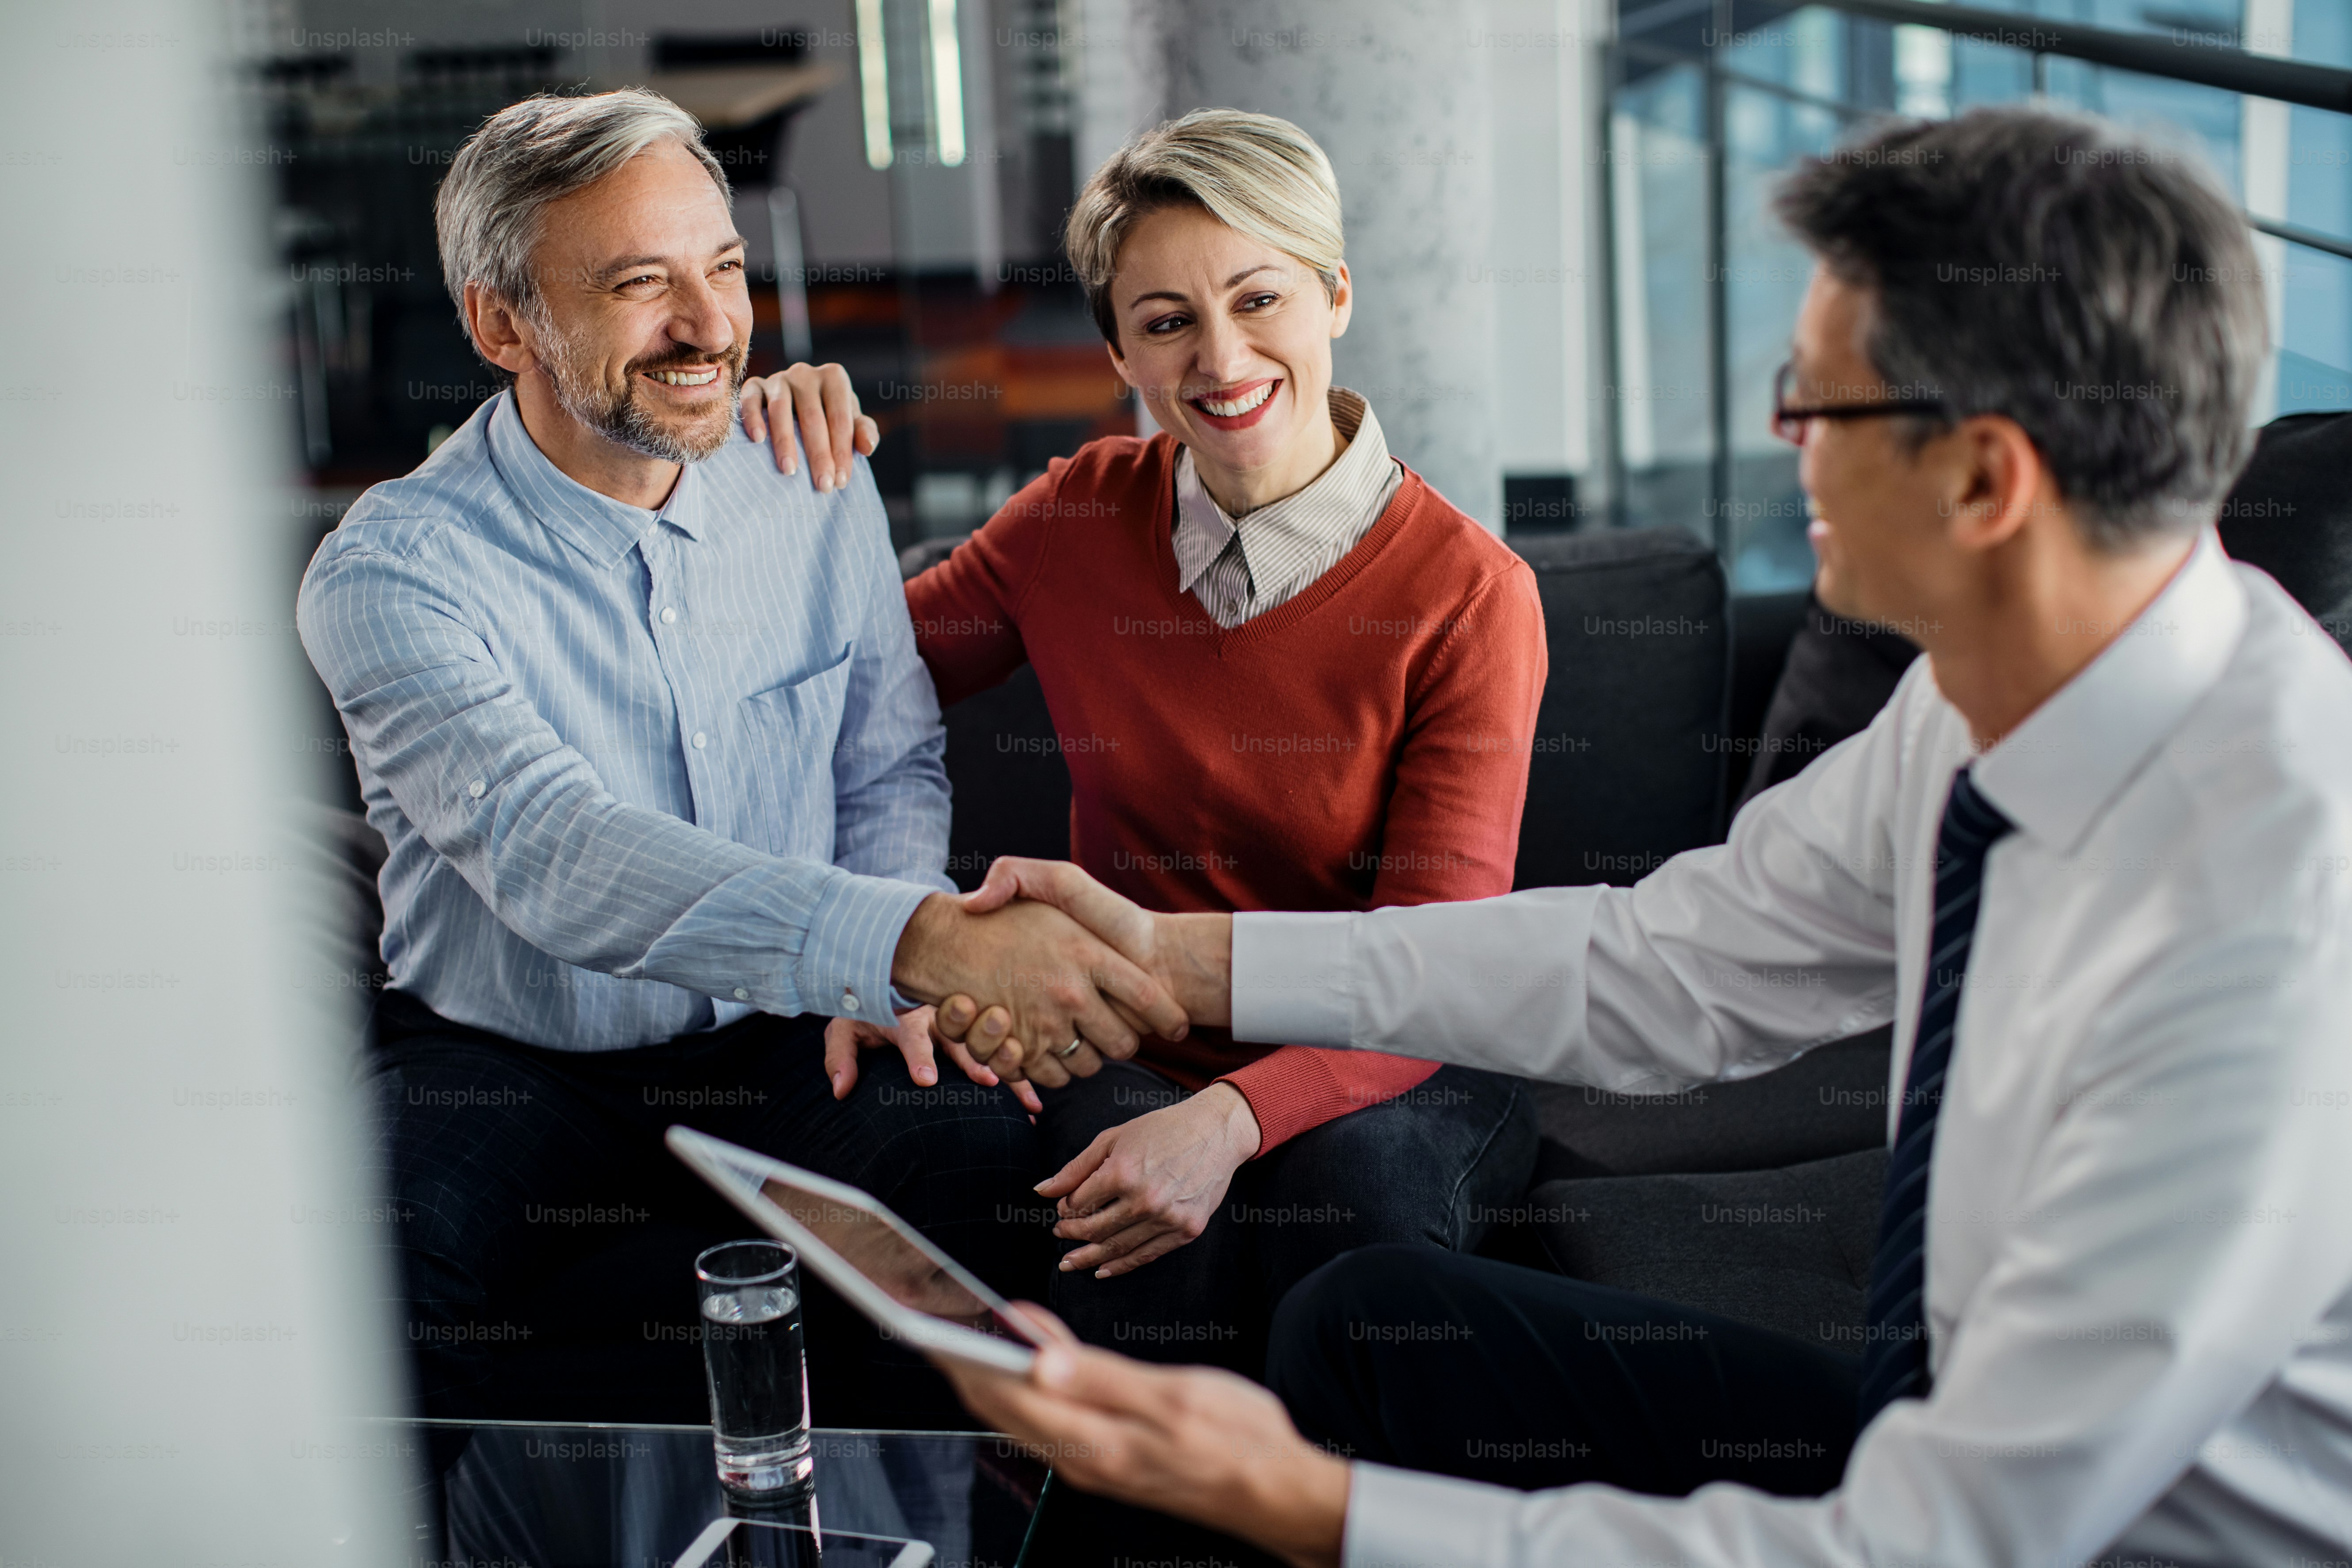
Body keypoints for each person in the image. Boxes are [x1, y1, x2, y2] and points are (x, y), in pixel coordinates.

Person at [928, 106, 2352, 1568]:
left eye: (1817, 401)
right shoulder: (1988, 699)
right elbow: (1659, 967)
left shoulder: (2268, 922)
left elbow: (1936, 1546)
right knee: (1361, 1331)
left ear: (1987, 480)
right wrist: (1172, 955)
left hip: (2084, 1542)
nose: (1782, 440)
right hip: (1941, 1431)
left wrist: (1306, 1504)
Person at [296, 88, 1183, 1426]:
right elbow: (557, 853)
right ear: (498, 322)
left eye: (725, 269)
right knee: (362, 1284)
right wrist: (908, 939)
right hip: (509, 1053)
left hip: (787, 1030)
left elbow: (885, 768)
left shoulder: (808, 471)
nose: (712, 326)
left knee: (992, 1187)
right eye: (643, 285)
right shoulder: (391, 571)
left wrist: (876, 985)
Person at [738, 109, 1543, 1373]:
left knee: (1356, 1222)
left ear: (1335, 293)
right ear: (1120, 351)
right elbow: (834, 684)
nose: (1222, 358)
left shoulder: (1469, 595)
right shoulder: (1077, 519)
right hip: (1134, 1035)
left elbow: (1432, 973)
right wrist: (764, 469)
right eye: (1167, 320)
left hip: (1398, 1051)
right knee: (1111, 1230)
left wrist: (1232, 1118)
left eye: (1259, 297)